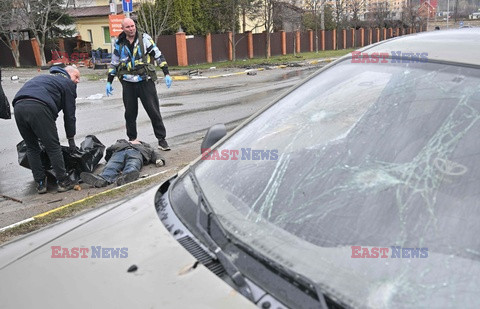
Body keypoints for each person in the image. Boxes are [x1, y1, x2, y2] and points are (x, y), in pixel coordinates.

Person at [106, 18, 172, 151]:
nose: (131, 29)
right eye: (128, 27)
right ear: (123, 29)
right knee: (130, 114)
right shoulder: (119, 43)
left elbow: (158, 55)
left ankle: (161, 140)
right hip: (128, 83)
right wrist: (109, 81)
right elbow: (114, 63)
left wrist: (166, 73)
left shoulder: (145, 39)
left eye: (132, 26)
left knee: (153, 111)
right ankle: (132, 140)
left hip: (145, 81)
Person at [12, 65, 80, 194]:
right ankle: (63, 182)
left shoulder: (45, 78)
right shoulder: (67, 83)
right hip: (39, 106)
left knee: (32, 147)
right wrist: (71, 139)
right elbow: (70, 115)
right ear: (68, 73)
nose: (77, 81)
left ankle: (41, 184)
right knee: (53, 146)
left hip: (18, 107)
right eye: (76, 77)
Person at [80, 139, 165, 187]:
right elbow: (109, 151)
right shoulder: (121, 142)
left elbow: (154, 153)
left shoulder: (145, 146)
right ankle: (102, 179)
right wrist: (110, 157)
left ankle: (127, 176)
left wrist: (159, 159)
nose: (135, 140)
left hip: (136, 153)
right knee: (111, 166)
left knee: (133, 164)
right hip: (119, 153)